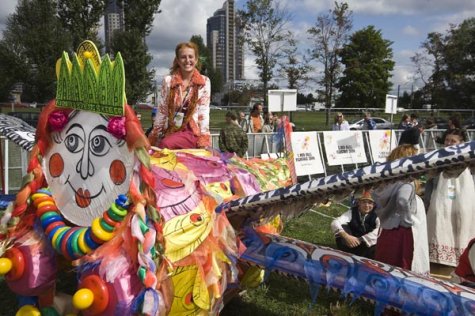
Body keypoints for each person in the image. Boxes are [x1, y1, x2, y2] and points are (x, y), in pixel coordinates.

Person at [372, 144, 430, 274]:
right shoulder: (406, 183)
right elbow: (402, 200)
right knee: (402, 263)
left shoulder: (386, 184)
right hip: (403, 230)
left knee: (386, 261)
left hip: (387, 227)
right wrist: (407, 219)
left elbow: (378, 198)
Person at [426, 129, 475, 276]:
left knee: (462, 220)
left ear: (461, 143)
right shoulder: (438, 157)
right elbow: (429, 177)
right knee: (438, 216)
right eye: (447, 140)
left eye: (453, 141)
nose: (449, 143)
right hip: (442, 192)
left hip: (462, 193)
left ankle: (462, 256)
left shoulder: (468, 157)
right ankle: (438, 257)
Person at [148, 42, 211, 149]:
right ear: (177, 60)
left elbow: (203, 112)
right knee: (155, 146)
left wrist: (204, 138)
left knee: (166, 144)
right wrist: (154, 135)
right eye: (183, 57)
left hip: (190, 130)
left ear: (196, 60)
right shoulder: (168, 81)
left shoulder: (204, 82)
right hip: (172, 128)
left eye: (191, 57)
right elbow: (162, 110)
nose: (187, 60)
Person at [330, 189, 380, 259]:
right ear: (359, 203)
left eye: (370, 203)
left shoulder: (377, 215)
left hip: (367, 245)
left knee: (378, 237)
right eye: (364, 202)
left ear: (373, 205)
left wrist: (360, 240)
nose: (366, 205)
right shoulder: (353, 212)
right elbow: (335, 222)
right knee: (341, 227)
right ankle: (346, 254)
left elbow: (378, 230)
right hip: (351, 243)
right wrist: (346, 236)